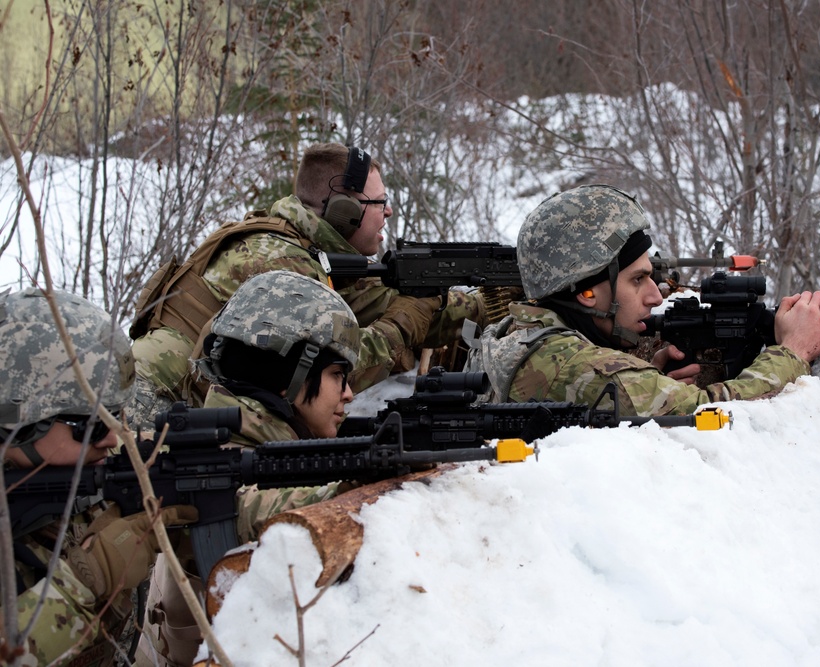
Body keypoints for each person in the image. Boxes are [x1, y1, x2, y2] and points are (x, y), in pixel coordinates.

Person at [129, 142, 488, 426]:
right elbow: (321, 380)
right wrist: (402, 326)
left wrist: (492, 301)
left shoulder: (301, 247)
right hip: (151, 404)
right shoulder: (282, 266)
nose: (389, 212)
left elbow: (375, 301)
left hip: (175, 397)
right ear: (343, 211)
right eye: (380, 202)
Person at [140, 270, 363, 666]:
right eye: (337, 375)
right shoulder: (218, 456)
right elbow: (250, 509)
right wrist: (350, 490)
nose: (349, 393)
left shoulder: (272, 445)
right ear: (288, 378)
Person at [469, 184, 820, 414]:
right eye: (637, 280)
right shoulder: (571, 366)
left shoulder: (519, 332)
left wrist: (649, 382)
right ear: (586, 293)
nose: (654, 297)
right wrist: (793, 352)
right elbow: (710, 416)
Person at [0, 288, 196, 666]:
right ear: (19, 423)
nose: (112, 438)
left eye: (115, 417)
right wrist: (85, 581)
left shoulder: (82, 469)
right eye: (89, 425)